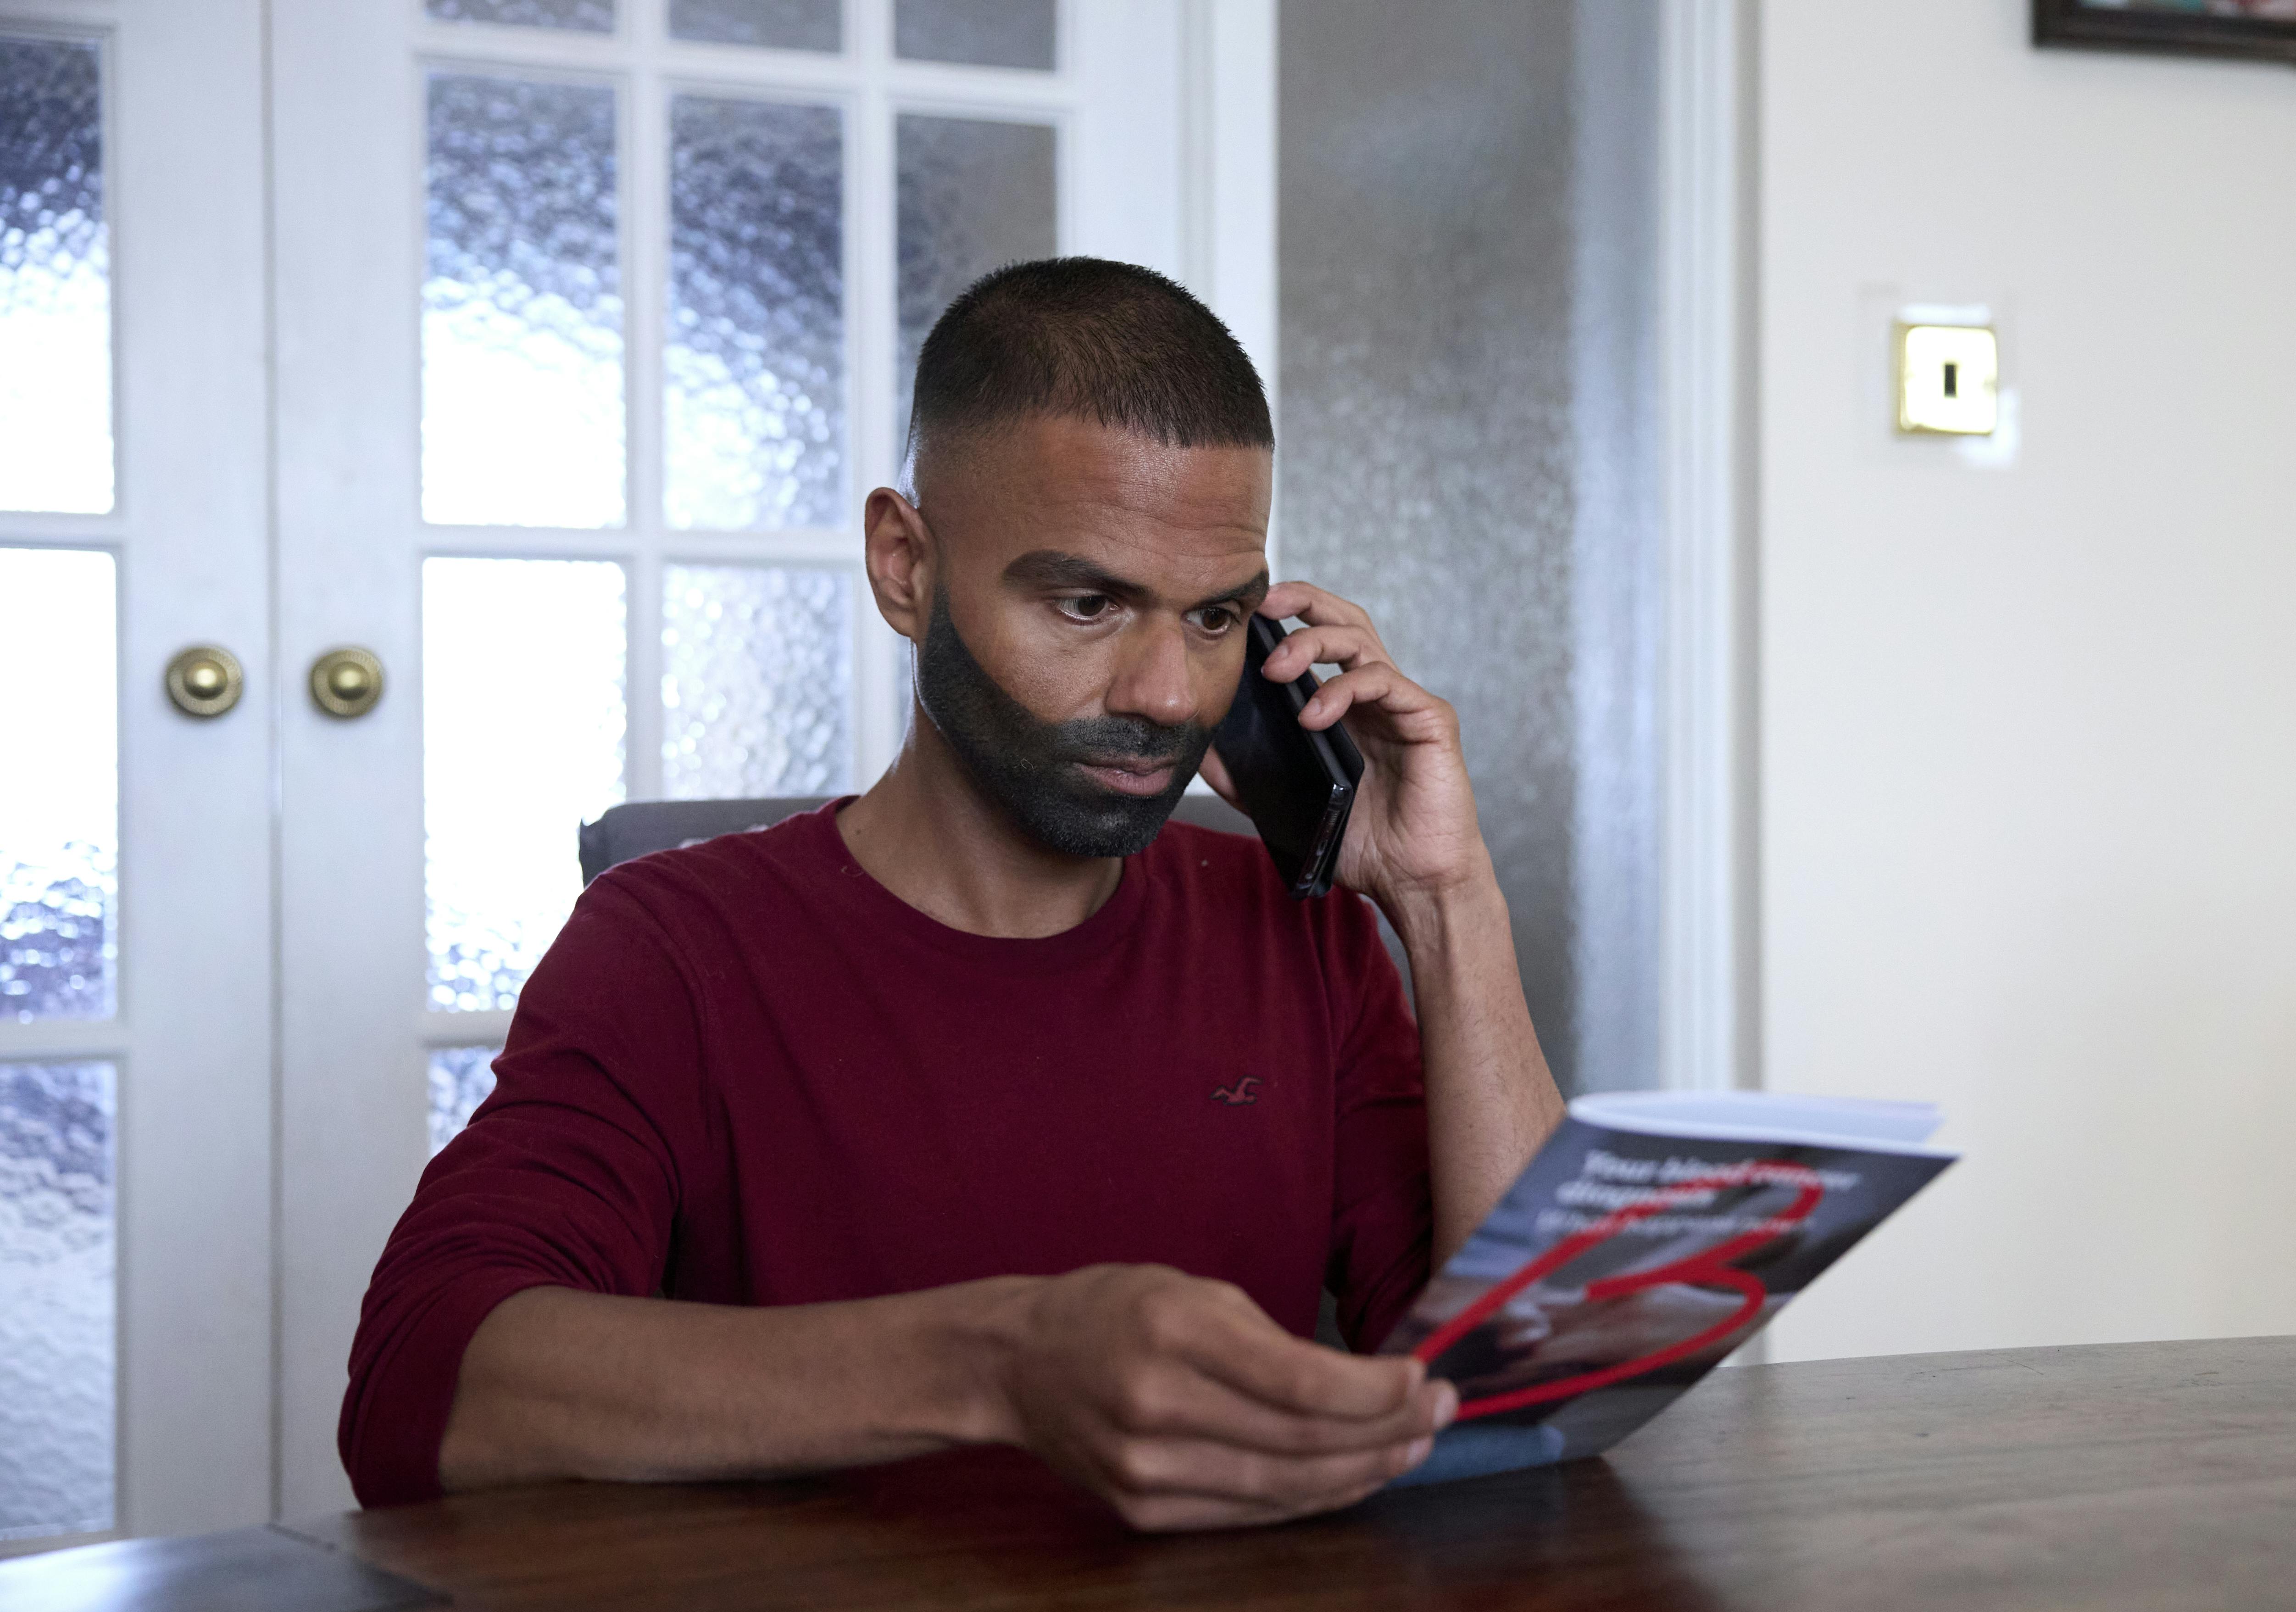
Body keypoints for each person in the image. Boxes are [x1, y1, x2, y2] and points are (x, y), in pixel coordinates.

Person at [341, 257, 1565, 1532]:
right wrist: (1001, 1363)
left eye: (1214, 619)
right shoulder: (677, 949)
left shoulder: (1290, 931)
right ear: (905, 565)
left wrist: (1442, 899)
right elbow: (421, 1394)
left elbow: (1522, 1388)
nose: (1163, 692)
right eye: (1088, 603)